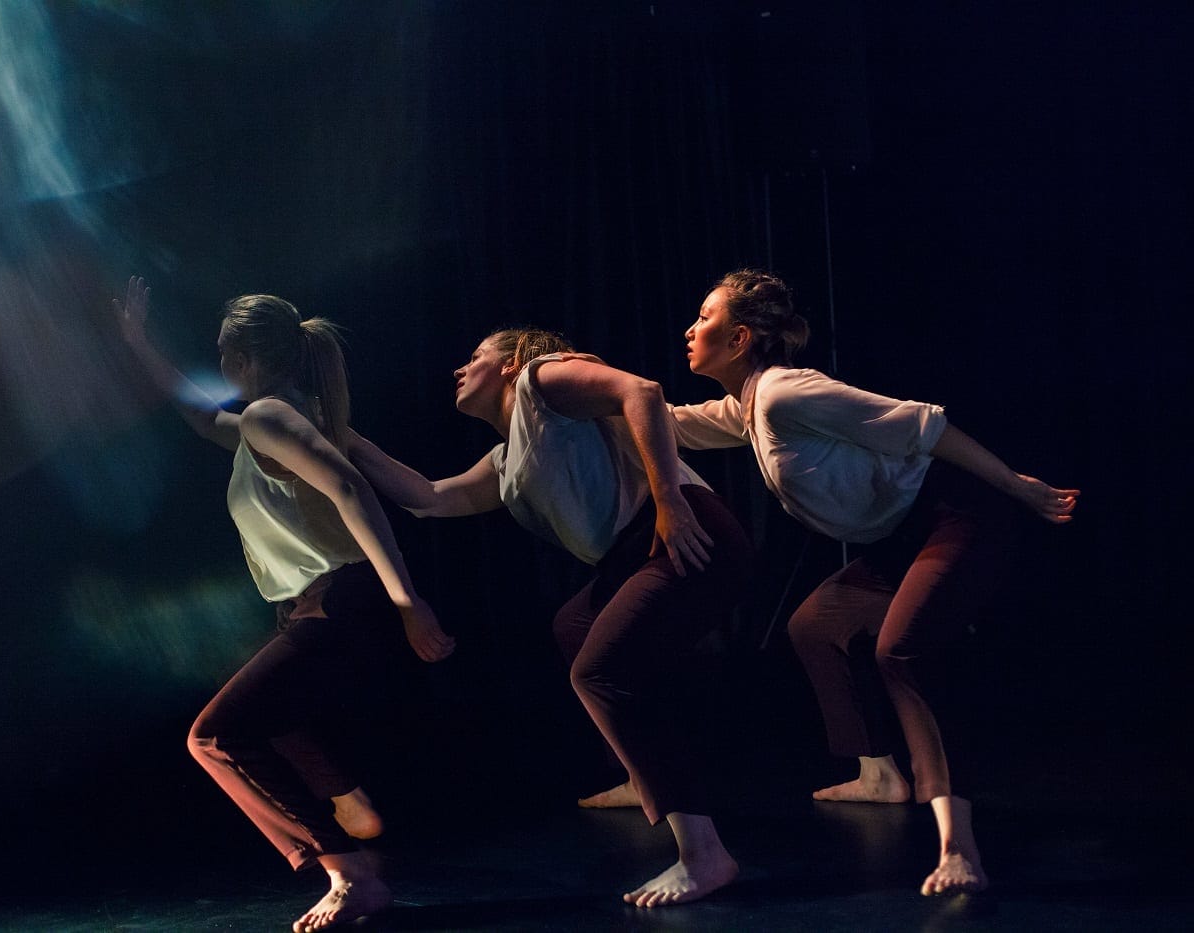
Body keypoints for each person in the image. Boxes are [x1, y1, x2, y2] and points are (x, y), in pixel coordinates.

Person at [668, 269, 1080, 896]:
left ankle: (959, 847)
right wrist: (581, 397)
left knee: (901, 650)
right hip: (903, 536)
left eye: (705, 318)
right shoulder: (747, 407)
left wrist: (1016, 485)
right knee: (817, 624)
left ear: (741, 337)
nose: (690, 329)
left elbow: (923, 425)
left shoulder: (785, 394)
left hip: (956, 513)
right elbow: (665, 423)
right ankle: (879, 775)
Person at [344, 328, 754, 908]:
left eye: (475, 357)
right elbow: (430, 497)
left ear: (512, 362)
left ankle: (704, 854)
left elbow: (642, 391)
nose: (459, 369)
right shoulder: (508, 455)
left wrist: (670, 499)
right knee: (575, 627)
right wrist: (342, 436)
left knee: (600, 671)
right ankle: (646, 778)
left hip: (682, 530)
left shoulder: (542, 379)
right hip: (631, 554)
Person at [113, 276, 455, 933]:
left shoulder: (272, 417)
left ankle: (348, 870)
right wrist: (139, 344)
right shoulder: (289, 423)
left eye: (222, 351)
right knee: (271, 715)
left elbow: (351, 489)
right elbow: (202, 416)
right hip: (319, 604)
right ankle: (348, 803)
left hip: (340, 599)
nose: (217, 362)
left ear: (242, 358)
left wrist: (407, 600)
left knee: (212, 738)